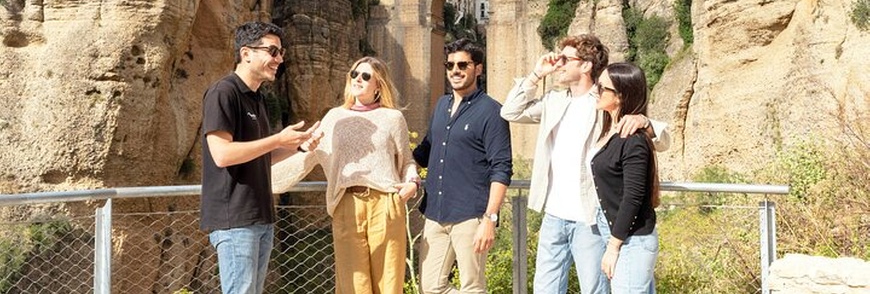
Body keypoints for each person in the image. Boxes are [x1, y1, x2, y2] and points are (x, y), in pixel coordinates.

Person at [500, 34, 670, 294]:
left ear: (586, 65)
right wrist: (536, 74)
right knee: (544, 289)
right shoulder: (554, 101)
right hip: (553, 215)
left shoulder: (604, 101)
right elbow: (509, 111)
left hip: (588, 218)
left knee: (594, 289)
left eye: (565, 59)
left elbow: (660, 139)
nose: (559, 64)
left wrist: (644, 122)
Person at [271, 56, 420, 294]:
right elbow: (308, 156)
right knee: (352, 285)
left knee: (388, 284)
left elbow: (407, 161)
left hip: (386, 203)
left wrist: (412, 182)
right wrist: (260, 179)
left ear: (378, 85)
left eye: (365, 76)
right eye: (354, 74)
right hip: (346, 204)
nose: (357, 79)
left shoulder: (393, 118)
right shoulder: (334, 117)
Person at [200, 21, 321, 294]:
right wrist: (278, 139)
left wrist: (298, 146)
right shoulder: (223, 93)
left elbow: (261, 156)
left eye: (281, 53)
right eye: (272, 51)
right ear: (246, 53)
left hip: (261, 218)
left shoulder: (257, 99)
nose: (279, 59)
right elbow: (221, 154)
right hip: (235, 220)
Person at [413, 38, 513, 294]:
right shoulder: (441, 105)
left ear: (477, 68)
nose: (455, 70)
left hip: (471, 216)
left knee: (472, 287)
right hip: (435, 212)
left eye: (462, 65)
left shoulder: (492, 112)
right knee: (431, 286)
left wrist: (489, 219)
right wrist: (401, 161)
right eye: (450, 65)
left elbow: (501, 168)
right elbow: (425, 151)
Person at [591, 62, 660, 292]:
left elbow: (633, 196)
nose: (595, 90)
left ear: (620, 96)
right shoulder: (612, 129)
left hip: (632, 240)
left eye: (602, 87)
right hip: (618, 234)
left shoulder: (633, 139)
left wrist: (613, 247)